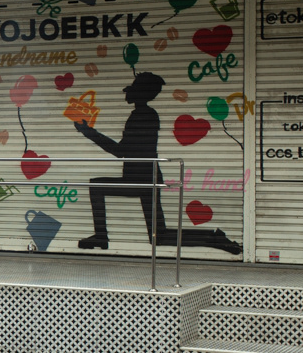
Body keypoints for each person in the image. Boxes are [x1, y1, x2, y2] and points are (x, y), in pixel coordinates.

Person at [75, 71, 243, 255]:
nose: (127, 94)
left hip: (141, 179)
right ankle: (213, 237)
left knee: (97, 186)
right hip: (146, 177)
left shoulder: (142, 116)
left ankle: (101, 236)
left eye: (132, 90)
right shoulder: (145, 114)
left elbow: (121, 151)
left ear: (140, 93)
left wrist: (88, 132)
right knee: (159, 235)